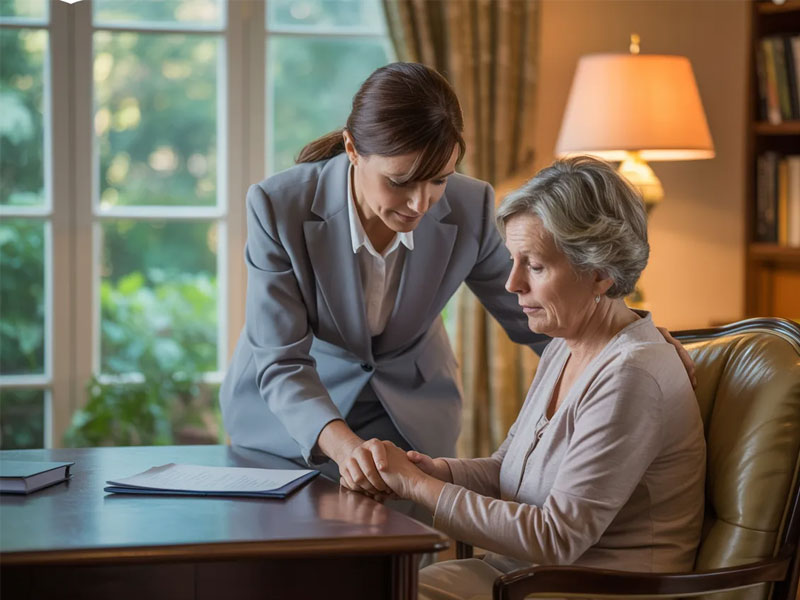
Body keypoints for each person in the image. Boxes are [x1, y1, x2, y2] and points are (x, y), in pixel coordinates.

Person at [219, 62, 695, 502]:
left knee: (400, 570)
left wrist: (629, 342)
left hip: (410, 414)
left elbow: (535, 315)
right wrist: (345, 448)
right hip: (293, 421)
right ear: (352, 150)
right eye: (401, 181)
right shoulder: (278, 206)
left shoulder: (472, 206)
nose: (421, 204)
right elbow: (281, 362)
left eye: (439, 180)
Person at [367, 156, 706, 599]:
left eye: (536, 266)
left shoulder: (632, 376)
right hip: (525, 580)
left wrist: (420, 488)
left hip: (592, 588)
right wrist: (435, 471)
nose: (511, 284)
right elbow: (509, 471)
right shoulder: (564, 347)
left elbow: (556, 537)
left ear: (601, 273)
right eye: (513, 260)